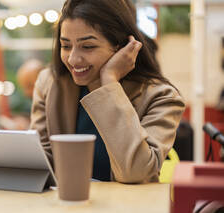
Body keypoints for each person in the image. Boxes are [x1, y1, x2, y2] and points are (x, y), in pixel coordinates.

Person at [29, 0, 185, 183]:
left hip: (127, 209)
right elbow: (40, 161)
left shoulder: (162, 98)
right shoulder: (50, 83)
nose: (73, 59)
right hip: (66, 205)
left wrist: (109, 82)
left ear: (122, 46)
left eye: (88, 47)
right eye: (66, 46)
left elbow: (136, 171)